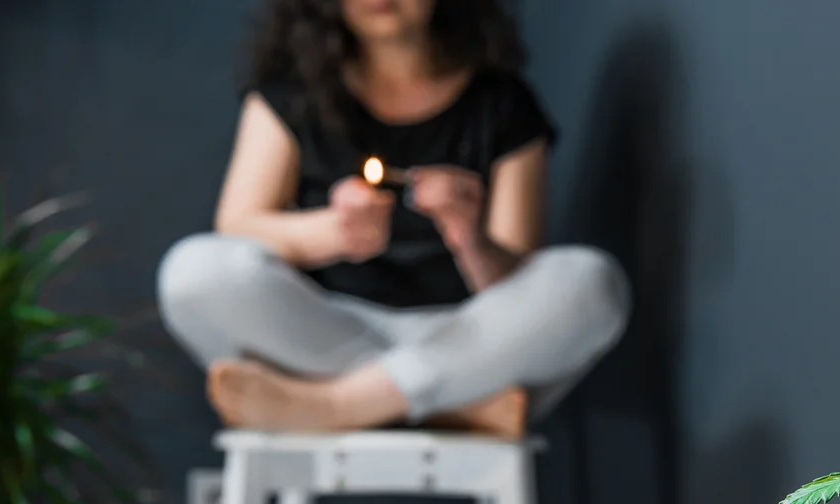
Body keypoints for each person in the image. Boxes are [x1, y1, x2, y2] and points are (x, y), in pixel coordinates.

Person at [157, 0, 629, 438]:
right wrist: (332, 232)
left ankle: (339, 407)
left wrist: (470, 239)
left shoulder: (502, 104)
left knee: (593, 281)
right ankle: (446, 406)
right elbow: (238, 226)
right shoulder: (291, 95)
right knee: (194, 272)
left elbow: (515, 286)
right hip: (332, 331)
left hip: (466, 332)